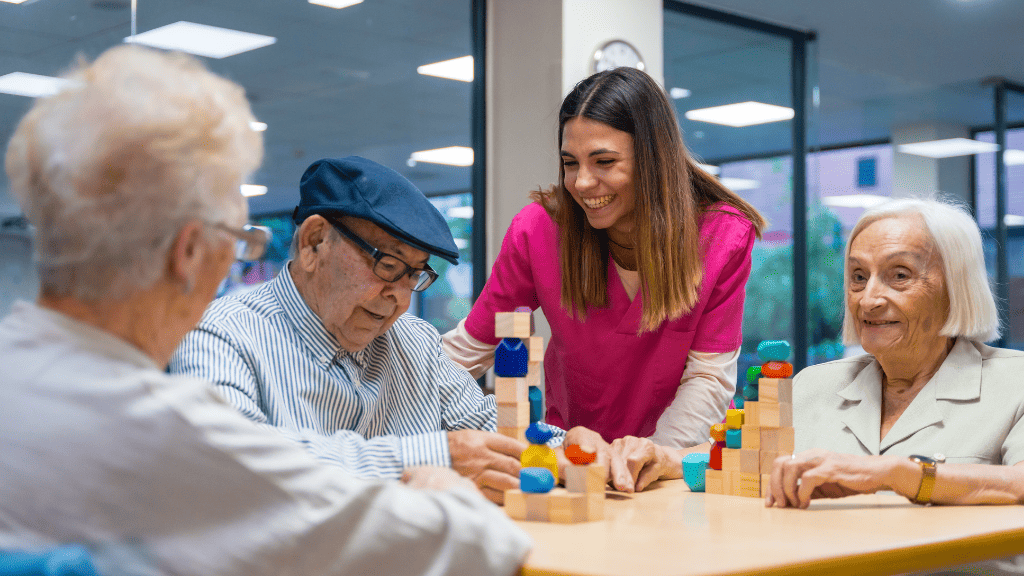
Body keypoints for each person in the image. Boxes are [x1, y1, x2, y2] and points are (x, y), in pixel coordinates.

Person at [0, 45, 530, 576]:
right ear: (188, 253)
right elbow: (473, 549)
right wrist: (439, 481)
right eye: (237, 239)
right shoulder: (162, 432)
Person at [170, 156, 566, 505]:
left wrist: (574, 447)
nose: (398, 297)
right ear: (314, 242)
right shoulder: (218, 335)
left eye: (414, 275)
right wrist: (435, 456)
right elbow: (232, 463)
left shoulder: (416, 343)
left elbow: (492, 427)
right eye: (388, 265)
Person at [443, 66, 766, 492]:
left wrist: (653, 456)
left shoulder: (721, 235)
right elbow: (469, 350)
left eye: (604, 162)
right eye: (569, 163)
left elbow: (707, 376)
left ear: (652, 159)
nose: (581, 182)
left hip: (665, 466)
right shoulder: (540, 230)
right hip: (571, 462)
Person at [766, 198, 1024, 510]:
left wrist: (894, 473)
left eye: (899, 275)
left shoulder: (1015, 383)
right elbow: (731, 456)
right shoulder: (811, 385)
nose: (868, 300)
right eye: (859, 277)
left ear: (957, 287)